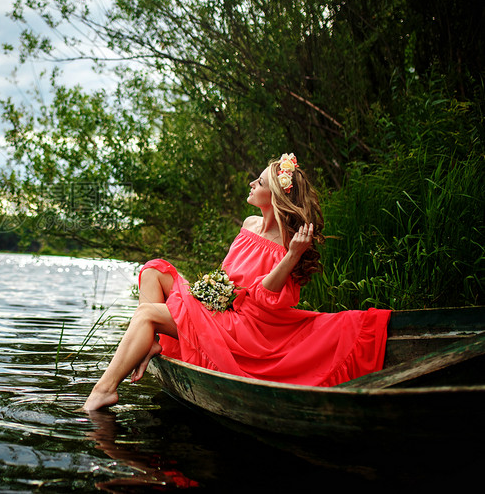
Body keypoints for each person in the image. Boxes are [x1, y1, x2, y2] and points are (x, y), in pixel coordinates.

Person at [82, 153, 391, 411]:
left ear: (274, 196)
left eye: (259, 182)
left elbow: (263, 298)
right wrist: (209, 293)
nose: (252, 184)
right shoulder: (250, 223)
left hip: (242, 328)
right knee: (153, 270)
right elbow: (228, 275)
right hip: (219, 308)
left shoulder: (289, 243)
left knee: (147, 314)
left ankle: (105, 389)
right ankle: (151, 340)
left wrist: (292, 256)